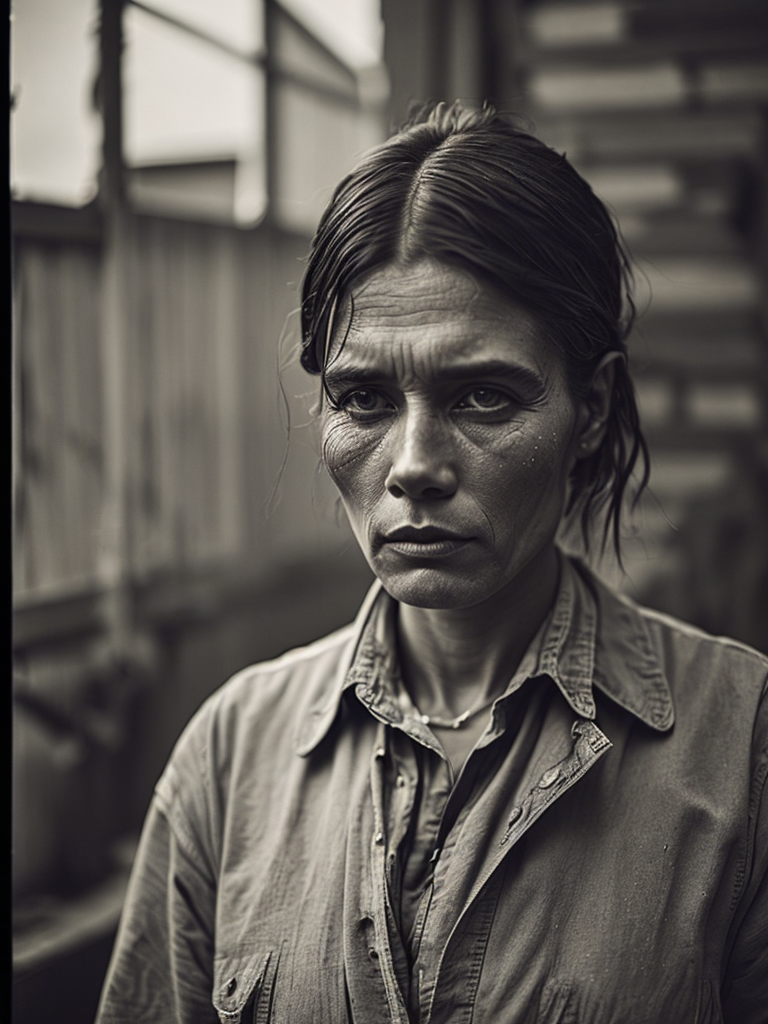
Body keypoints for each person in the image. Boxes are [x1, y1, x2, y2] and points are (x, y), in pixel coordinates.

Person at [96, 102, 768, 1024]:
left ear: (595, 411)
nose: (415, 464)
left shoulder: (740, 750)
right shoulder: (231, 760)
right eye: (364, 396)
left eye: (485, 395)